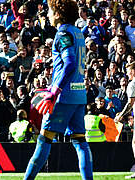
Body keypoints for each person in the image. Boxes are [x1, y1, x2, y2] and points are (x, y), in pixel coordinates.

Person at [24, 0, 93, 179]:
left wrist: (54, 91)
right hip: (79, 94)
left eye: (50, 11)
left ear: (58, 13)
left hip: (63, 97)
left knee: (44, 139)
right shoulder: (78, 32)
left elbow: (69, 62)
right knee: (80, 142)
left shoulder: (63, 33)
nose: (48, 14)